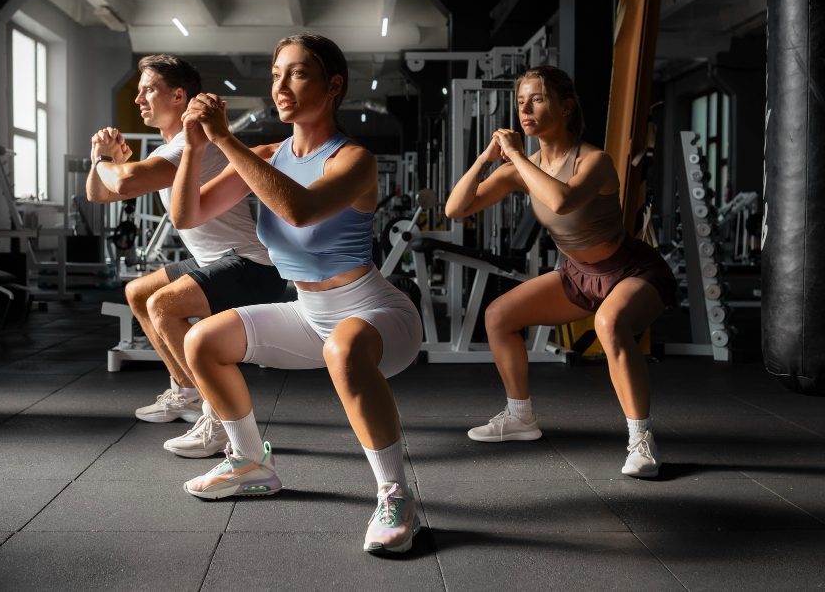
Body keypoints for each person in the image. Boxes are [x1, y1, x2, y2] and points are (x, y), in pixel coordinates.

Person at [170, 34, 423, 555]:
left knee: (345, 349)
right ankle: (250, 463)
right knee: (203, 343)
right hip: (310, 314)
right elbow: (186, 215)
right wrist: (196, 147)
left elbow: (300, 210)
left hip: (375, 312)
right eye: (276, 74)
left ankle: (396, 495)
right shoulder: (264, 154)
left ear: (333, 86)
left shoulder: (354, 159)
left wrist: (225, 141)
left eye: (297, 73)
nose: (281, 86)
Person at [445, 65, 677, 478]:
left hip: (631, 270)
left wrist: (515, 155)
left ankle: (642, 442)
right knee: (499, 316)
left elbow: (560, 201)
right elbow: (456, 209)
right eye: (520, 101)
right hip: (579, 274)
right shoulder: (520, 167)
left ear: (566, 106)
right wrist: (487, 157)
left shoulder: (596, 161)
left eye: (537, 98)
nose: (525, 109)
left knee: (610, 323)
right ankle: (520, 417)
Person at [86, 54, 287, 459]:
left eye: (149, 89)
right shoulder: (171, 146)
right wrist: (101, 159)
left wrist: (109, 160)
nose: (140, 98)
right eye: (140, 90)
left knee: (164, 305)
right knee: (140, 292)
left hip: (252, 263)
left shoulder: (190, 145)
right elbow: (99, 192)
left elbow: (122, 183)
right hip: (216, 259)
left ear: (179, 96)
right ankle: (187, 392)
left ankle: (218, 419)